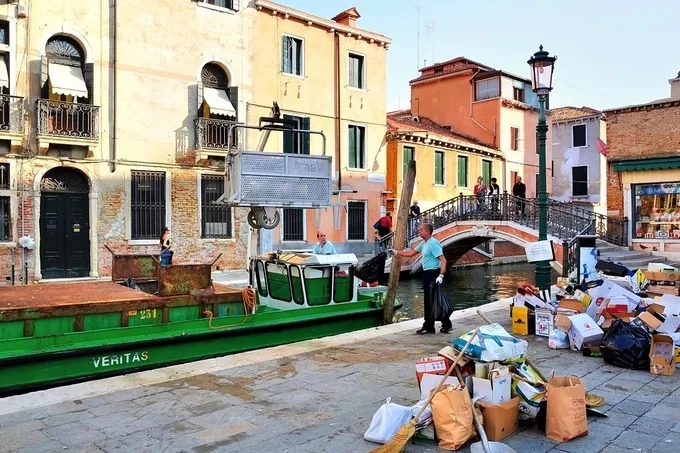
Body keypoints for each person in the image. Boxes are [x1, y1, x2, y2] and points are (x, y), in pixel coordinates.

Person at [389, 223, 452, 334]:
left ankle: (435, 325)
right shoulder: (424, 244)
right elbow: (411, 253)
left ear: (427, 231)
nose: (419, 231)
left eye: (421, 229)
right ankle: (437, 325)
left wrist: (441, 275)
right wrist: (396, 252)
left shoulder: (433, 243)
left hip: (433, 274)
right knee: (431, 300)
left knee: (433, 299)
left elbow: (443, 260)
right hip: (427, 274)